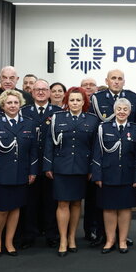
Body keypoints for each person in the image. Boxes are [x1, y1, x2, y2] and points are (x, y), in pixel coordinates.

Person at [0, 89, 39, 257]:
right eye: (9, 103)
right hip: (0, 174)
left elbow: (33, 151)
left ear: (20, 104)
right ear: (3, 105)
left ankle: (9, 241)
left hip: (21, 173)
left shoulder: (28, 123)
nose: (13, 106)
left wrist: (33, 171)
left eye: (15, 103)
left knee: (15, 209)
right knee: (1, 210)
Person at [45, 87, 99, 256]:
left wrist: (93, 168)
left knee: (76, 203)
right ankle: (62, 240)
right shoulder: (57, 118)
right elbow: (49, 144)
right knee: (62, 203)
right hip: (61, 167)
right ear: (67, 102)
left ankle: (71, 238)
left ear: (84, 102)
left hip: (82, 167)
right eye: (72, 100)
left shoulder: (92, 120)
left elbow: (95, 147)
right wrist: (48, 166)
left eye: (78, 100)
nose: (75, 103)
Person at [92, 98, 136, 254]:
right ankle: (110, 241)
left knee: (125, 209)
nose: (122, 112)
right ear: (114, 110)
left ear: (130, 112)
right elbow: (97, 154)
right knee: (108, 209)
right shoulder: (103, 128)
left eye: (125, 109)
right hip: (107, 174)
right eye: (119, 109)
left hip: (128, 176)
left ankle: (122, 241)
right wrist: (97, 175)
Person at [20, 79, 62, 249]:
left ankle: (52, 235)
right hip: (29, 163)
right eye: (37, 89)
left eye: (44, 89)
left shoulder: (58, 112)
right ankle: (29, 234)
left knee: (50, 201)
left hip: (50, 164)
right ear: (32, 92)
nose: (41, 92)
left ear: (49, 93)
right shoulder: (24, 111)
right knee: (29, 201)